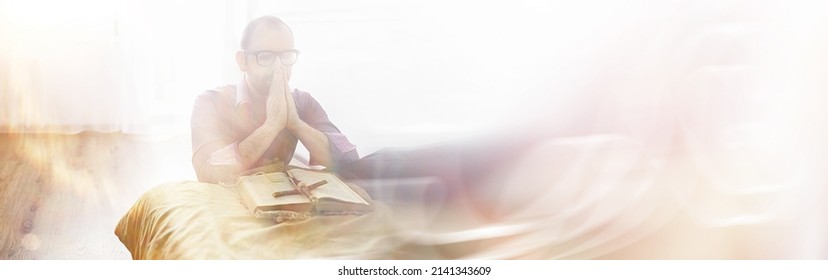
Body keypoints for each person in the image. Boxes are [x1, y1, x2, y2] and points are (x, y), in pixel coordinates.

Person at [191, 16, 358, 184]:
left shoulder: (302, 101)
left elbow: (349, 159)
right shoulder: (210, 102)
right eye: (265, 57)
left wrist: (296, 123)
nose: (279, 67)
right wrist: (271, 125)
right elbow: (208, 173)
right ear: (242, 61)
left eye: (286, 56)